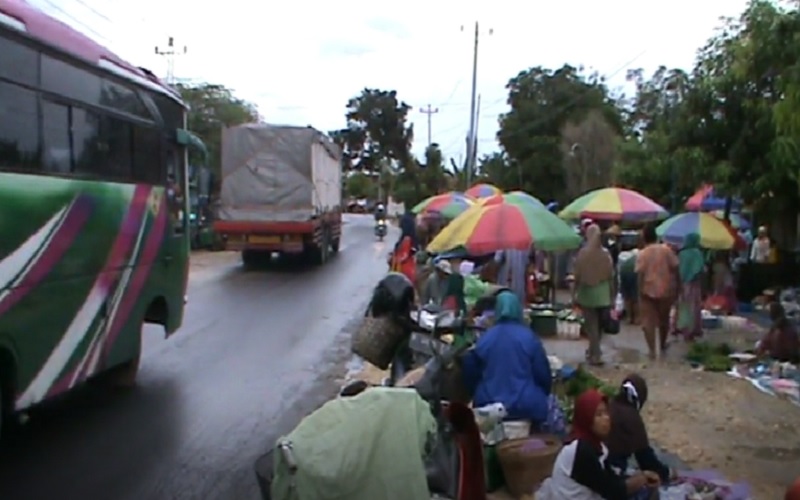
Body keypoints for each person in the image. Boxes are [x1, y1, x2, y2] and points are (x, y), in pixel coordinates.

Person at [537, 389, 658, 500]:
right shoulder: (581, 450)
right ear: (587, 419)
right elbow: (612, 490)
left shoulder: (597, 446)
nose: (606, 419)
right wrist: (641, 479)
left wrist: (641, 477)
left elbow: (610, 478)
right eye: (599, 415)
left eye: (606, 413)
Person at [461, 291, 552, 426]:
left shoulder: (486, 339)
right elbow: (543, 375)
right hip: (526, 405)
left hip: (489, 405)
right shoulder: (529, 338)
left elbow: (470, 369)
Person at [605, 374, 673, 485]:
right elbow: (646, 460)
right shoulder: (632, 418)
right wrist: (667, 473)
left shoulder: (609, 406)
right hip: (611, 476)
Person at [573, 224, 615, 366]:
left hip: (587, 295)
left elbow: (577, 276)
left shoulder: (582, 254)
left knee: (591, 326)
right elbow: (611, 277)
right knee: (599, 326)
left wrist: (574, 294)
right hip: (603, 295)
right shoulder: (606, 254)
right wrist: (613, 296)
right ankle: (594, 351)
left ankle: (595, 354)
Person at [635, 225, 679, 360]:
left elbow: (640, 274)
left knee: (648, 321)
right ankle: (662, 344)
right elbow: (676, 268)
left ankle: (652, 350)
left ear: (644, 238)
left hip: (647, 290)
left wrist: (639, 290)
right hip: (666, 289)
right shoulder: (666, 250)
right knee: (664, 319)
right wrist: (677, 286)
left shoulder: (643, 253)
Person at [674, 233, 705, 341]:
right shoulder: (697, 253)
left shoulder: (681, 254)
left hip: (682, 284)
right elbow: (700, 270)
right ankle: (691, 331)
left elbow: (677, 270)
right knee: (693, 307)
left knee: (682, 306)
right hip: (694, 285)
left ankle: (679, 327)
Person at [618, 248, 639, 325]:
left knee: (627, 298)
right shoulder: (638, 260)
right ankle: (636, 318)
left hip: (624, 276)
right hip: (634, 276)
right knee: (635, 298)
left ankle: (629, 317)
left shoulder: (626, 261)